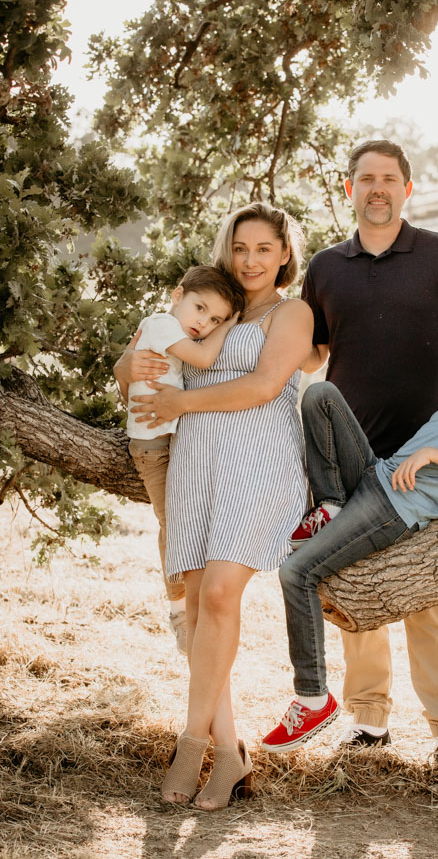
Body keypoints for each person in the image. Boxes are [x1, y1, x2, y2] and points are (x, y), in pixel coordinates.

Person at [262, 302, 438, 769]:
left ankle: (313, 697)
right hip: (375, 475)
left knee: (296, 573)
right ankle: (331, 504)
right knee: (321, 394)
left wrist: (433, 455)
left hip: (394, 508)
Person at [120, 202, 313, 809]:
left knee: (223, 594)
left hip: (260, 460)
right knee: (201, 607)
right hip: (196, 461)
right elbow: (138, 365)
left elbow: (264, 386)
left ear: (284, 254)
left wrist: (181, 404)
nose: (250, 260)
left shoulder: (292, 312)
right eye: (240, 247)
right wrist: (129, 365)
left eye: (264, 249)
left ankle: (190, 742)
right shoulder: (205, 303)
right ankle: (228, 751)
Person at [295, 139, 438, 753]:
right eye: (365, 179)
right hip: (351, 458)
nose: (377, 189)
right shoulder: (325, 267)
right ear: (348, 189)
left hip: (429, 460)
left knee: (430, 592)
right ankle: (369, 718)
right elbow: (311, 355)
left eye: (388, 179)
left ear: (407, 188)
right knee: (360, 588)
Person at [120, 266, 245, 654]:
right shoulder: (162, 325)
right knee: (172, 525)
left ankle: (195, 604)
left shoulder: (176, 334)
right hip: (153, 449)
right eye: (200, 308)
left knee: (185, 521)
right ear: (177, 296)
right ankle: (178, 611)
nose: (204, 323)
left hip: (172, 442)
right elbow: (205, 359)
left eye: (215, 319)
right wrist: (230, 326)